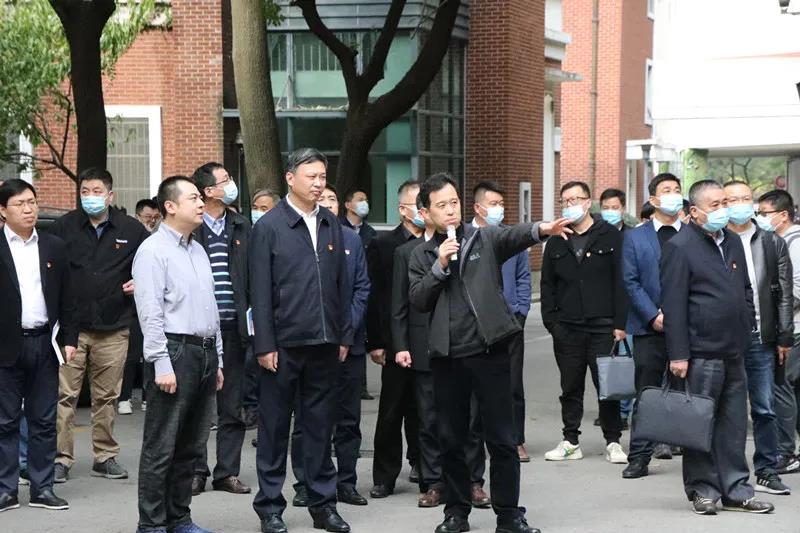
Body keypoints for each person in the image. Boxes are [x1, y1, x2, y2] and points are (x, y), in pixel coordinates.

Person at [409, 173, 570, 533]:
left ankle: (509, 515)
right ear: (426, 213)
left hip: (490, 351)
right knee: (451, 439)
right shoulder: (421, 254)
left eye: (454, 202)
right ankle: (456, 512)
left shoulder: (483, 238)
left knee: (501, 438)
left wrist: (543, 229)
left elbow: (515, 235)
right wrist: (439, 265)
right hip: (447, 358)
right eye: (441, 205)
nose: (450, 210)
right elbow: (418, 300)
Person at [249, 148, 353, 533]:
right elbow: (259, 290)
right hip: (283, 344)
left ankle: (323, 505)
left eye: (323, 176)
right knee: (274, 429)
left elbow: (341, 284)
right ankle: (270, 507)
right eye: (312, 176)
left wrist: (342, 334)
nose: (319, 183)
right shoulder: (269, 226)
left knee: (319, 428)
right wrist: (264, 344)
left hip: (324, 343)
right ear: (290, 178)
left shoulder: (330, 222)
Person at [661, 179, 773, 515]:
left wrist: (747, 324)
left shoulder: (733, 241)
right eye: (715, 205)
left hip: (735, 350)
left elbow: (744, 289)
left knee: (733, 425)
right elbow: (674, 304)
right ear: (695, 212)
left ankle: (736, 489)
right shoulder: (680, 246)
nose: (724, 210)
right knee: (700, 424)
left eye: (725, 203)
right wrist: (679, 354)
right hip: (700, 353)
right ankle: (703, 489)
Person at [133, 176, 224, 533]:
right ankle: (152, 524)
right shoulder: (152, 251)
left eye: (201, 197)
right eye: (193, 198)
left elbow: (210, 307)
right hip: (174, 351)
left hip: (204, 353)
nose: (202, 203)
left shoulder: (197, 250)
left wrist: (217, 357)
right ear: (170, 206)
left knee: (191, 445)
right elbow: (150, 312)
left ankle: (179, 517)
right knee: (161, 445)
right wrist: (160, 362)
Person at [49, 167, 149, 483]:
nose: (90, 197)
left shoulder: (131, 229)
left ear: (110, 195)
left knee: (106, 396)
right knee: (64, 396)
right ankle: (61, 458)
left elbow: (152, 263)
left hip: (114, 325)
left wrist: (140, 281)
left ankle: (104, 456)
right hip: (71, 328)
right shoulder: (64, 227)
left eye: (96, 191)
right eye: (85, 191)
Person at [292, 183, 371, 507]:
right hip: (312, 345)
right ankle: (305, 482)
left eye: (333, 199)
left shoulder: (351, 240)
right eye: (322, 198)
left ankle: (346, 482)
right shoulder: (303, 239)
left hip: (348, 345)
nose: (327, 202)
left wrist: (344, 334)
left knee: (348, 420)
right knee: (308, 419)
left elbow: (362, 289)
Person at [0, 179, 77, 512]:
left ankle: (42, 488)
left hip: (45, 343)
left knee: (44, 419)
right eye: (20, 204)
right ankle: (5, 489)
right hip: (6, 345)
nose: (29, 209)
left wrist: (70, 339)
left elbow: (69, 296)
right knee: (5, 421)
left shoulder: (53, 246)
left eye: (32, 202)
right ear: (3, 210)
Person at [540, 181, 629, 464]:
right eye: (565, 201)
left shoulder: (610, 236)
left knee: (607, 387)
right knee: (570, 387)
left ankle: (613, 441)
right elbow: (547, 285)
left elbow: (621, 282)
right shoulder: (556, 240)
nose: (570, 205)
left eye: (576, 199)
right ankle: (570, 440)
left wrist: (620, 323)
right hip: (567, 327)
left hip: (603, 327)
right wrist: (552, 322)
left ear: (588, 202)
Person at [723, 181, 793, 495]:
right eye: (732, 199)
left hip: (761, 339)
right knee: (728, 409)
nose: (740, 204)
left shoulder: (770, 241)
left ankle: (766, 469)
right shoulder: (715, 239)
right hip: (723, 339)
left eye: (745, 198)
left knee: (764, 407)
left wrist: (783, 336)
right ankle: (729, 471)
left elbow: (784, 294)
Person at [189, 163, 252, 496]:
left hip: (234, 329)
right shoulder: (192, 227)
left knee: (232, 405)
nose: (231, 185)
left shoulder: (242, 225)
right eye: (225, 180)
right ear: (208, 191)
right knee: (198, 405)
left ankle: (227, 472)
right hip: (198, 332)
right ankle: (196, 471)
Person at [621, 173, 685, 478]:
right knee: (646, 393)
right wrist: (652, 315)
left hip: (688, 328)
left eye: (677, 189)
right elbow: (630, 281)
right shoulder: (636, 237)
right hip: (649, 328)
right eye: (666, 190)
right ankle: (639, 456)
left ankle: (690, 450)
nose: (673, 194)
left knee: (686, 392)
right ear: (653, 199)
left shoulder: (694, 234)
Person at [365, 180, 423, 498]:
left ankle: (424, 465)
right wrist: (375, 342)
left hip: (428, 339)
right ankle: (385, 476)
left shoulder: (438, 243)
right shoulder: (383, 244)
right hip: (394, 340)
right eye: (418, 203)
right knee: (391, 411)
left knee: (425, 409)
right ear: (403, 209)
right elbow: (374, 295)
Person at [471, 181, 532, 464]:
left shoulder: (511, 238)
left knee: (512, 384)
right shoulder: (464, 237)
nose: (499, 209)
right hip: (473, 325)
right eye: (493, 204)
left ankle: (515, 440)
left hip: (509, 323)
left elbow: (523, 278)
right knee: (472, 386)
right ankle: (474, 441)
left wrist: (520, 311)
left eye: (501, 204)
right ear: (478, 207)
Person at [391, 195, 442, 507]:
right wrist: (401, 345)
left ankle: (471, 481)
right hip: (422, 346)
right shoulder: (406, 253)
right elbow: (399, 303)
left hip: (460, 345)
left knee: (467, 420)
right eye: (440, 206)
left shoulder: (462, 245)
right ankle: (433, 481)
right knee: (427, 419)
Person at [757, 189, 800, 474]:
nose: (760, 217)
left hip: (791, 330)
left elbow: (795, 288)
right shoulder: (777, 241)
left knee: (781, 388)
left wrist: (775, 314)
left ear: (783, 215)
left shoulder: (793, 242)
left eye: (764, 213)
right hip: (789, 327)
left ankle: (786, 452)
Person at [119, 198, 158, 415]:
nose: (151, 221)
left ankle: (147, 396)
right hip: (132, 307)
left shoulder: (159, 239)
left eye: (155, 218)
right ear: (137, 216)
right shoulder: (130, 238)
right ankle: (124, 397)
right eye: (147, 217)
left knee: (150, 353)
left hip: (154, 304)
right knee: (132, 355)